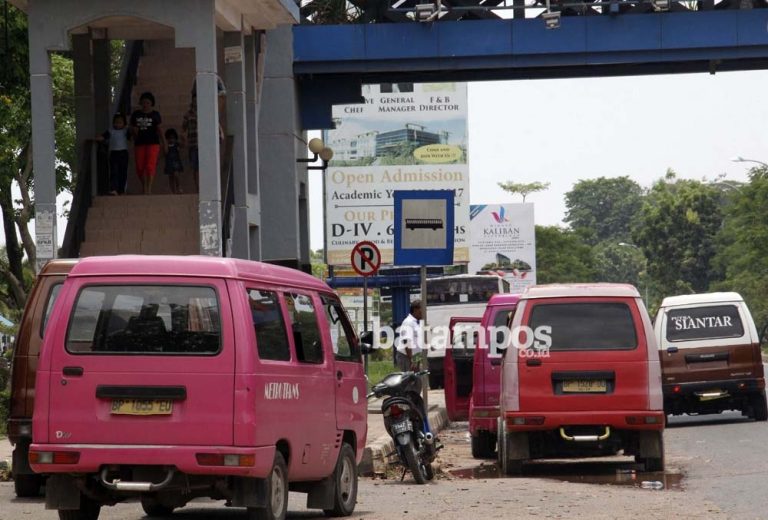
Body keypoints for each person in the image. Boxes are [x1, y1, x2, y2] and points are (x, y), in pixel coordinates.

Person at [130, 91, 164, 194]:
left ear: (151, 103)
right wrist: (134, 131)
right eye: (143, 102)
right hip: (139, 143)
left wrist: (164, 143)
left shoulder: (155, 114)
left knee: (150, 165)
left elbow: (159, 129)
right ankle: (144, 185)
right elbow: (132, 128)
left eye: (148, 103)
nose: (145, 105)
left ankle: (148, 189)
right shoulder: (136, 114)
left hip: (153, 143)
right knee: (140, 167)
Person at [96, 113, 130, 195]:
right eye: (116, 122)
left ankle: (121, 190)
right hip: (114, 153)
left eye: (120, 122)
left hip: (123, 153)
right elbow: (103, 137)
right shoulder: (111, 131)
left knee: (123, 172)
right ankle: (114, 189)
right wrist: (96, 138)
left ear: (124, 123)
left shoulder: (125, 131)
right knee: (114, 171)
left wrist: (128, 128)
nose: (118, 124)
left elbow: (131, 137)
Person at [396, 300, 423, 372]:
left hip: (415, 357)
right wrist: (412, 360)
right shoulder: (408, 322)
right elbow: (407, 341)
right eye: (422, 309)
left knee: (417, 381)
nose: (424, 312)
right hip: (406, 357)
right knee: (410, 381)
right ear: (415, 309)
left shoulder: (416, 323)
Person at [181, 96, 199, 193]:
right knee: (195, 167)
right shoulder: (188, 114)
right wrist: (183, 137)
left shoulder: (206, 112)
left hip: (204, 144)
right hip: (193, 143)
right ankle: (197, 188)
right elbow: (183, 128)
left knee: (203, 167)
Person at [164, 128, 184, 194]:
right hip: (169, 162)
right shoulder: (166, 146)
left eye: (173, 138)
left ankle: (179, 186)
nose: (171, 140)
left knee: (176, 174)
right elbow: (164, 153)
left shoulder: (176, 144)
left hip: (176, 161)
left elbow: (182, 145)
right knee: (171, 177)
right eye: (169, 138)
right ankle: (173, 191)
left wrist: (182, 138)